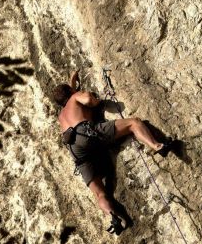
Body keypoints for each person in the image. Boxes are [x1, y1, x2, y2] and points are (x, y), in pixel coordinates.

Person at [53, 70, 173, 234]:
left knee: (100, 194)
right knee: (133, 123)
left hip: (76, 151)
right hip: (86, 133)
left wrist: (72, 82)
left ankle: (114, 217)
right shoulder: (75, 97)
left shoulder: (61, 116)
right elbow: (87, 99)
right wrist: (94, 100)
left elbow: (69, 98)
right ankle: (158, 146)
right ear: (71, 93)